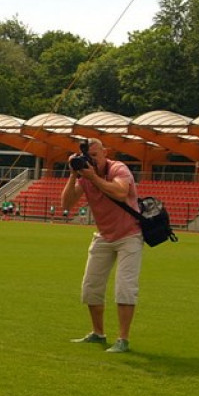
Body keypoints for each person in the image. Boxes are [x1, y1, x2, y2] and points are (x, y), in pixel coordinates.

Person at [59, 138, 142, 354]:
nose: (92, 160)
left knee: (125, 288)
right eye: (88, 156)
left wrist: (93, 177)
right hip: (104, 235)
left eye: (95, 155)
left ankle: (123, 339)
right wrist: (73, 175)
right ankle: (98, 333)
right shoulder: (85, 176)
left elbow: (121, 192)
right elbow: (66, 204)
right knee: (91, 286)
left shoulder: (118, 169)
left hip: (129, 235)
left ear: (105, 152)